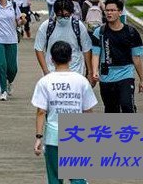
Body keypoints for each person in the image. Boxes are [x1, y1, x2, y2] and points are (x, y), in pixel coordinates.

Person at [32, 41, 97, 184]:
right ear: (71, 58)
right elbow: (88, 111)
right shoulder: (81, 81)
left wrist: (38, 137)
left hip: (53, 137)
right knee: (78, 177)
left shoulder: (45, 82)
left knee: (55, 178)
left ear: (51, 59)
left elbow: (41, 112)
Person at [91, 0, 143, 113]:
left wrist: (142, 79)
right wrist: (95, 71)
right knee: (111, 110)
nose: (109, 13)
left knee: (127, 106)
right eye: (107, 10)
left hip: (126, 75)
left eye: (112, 10)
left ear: (120, 12)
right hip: (106, 77)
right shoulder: (99, 32)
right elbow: (95, 54)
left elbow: (136, 58)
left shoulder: (131, 32)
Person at [34, 0, 93, 81]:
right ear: (55, 13)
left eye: (66, 15)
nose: (63, 18)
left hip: (75, 72)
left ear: (71, 13)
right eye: (59, 16)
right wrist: (45, 71)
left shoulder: (78, 26)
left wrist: (90, 71)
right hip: (52, 72)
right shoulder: (46, 26)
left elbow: (86, 49)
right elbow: (38, 48)